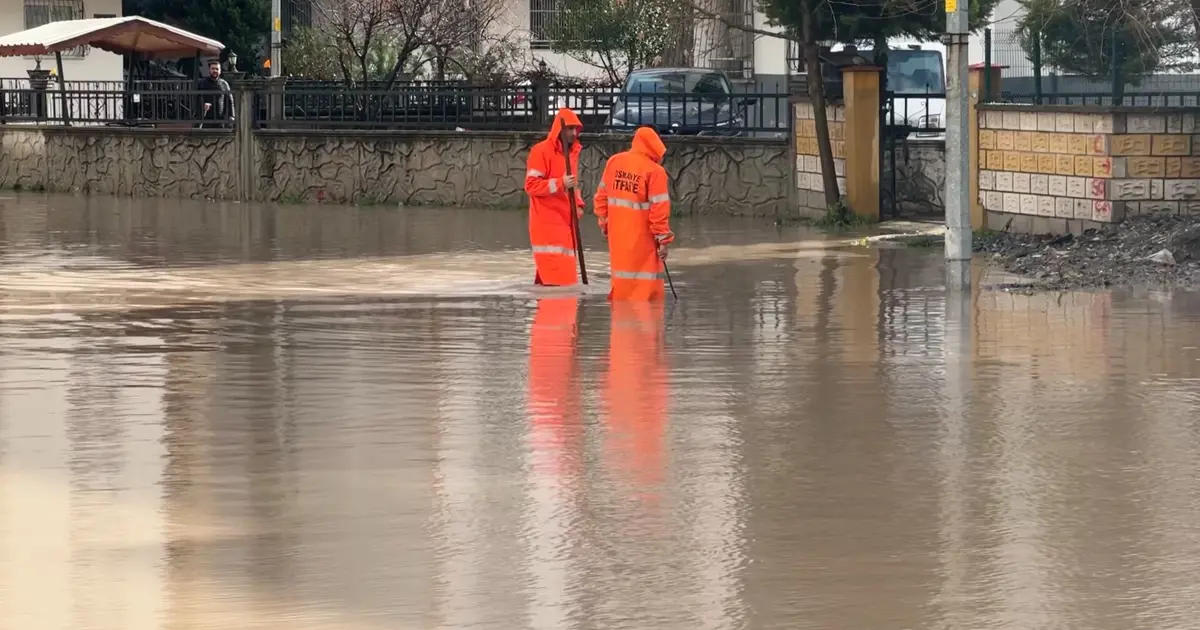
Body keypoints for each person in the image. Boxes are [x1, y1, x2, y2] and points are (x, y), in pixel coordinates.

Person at [592, 126, 675, 301]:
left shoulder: (614, 162)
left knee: (622, 289)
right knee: (647, 296)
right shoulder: (655, 171)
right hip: (643, 241)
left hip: (617, 237)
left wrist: (604, 223)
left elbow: (601, 198)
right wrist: (663, 241)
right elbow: (658, 210)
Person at [524, 108, 585, 287]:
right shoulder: (541, 151)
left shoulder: (572, 153)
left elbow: (573, 185)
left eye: (576, 129)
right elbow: (531, 186)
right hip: (547, 223)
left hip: (566, 222)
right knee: (559, 280)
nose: (574, 133)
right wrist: (560, 183)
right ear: (560, 129)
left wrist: (579, 204)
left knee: (554, 279)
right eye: (570, 129)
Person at [197, 59, 234, 126]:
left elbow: (230, 100)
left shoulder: (224, 84)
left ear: (220, 71)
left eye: (217, 69)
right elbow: (197, 98)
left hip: (221, 118)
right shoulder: (202, 83)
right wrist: (202, 106)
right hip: (205, 118)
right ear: (209, 70)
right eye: (213, 69)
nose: (215, 71)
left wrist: (231, 116)